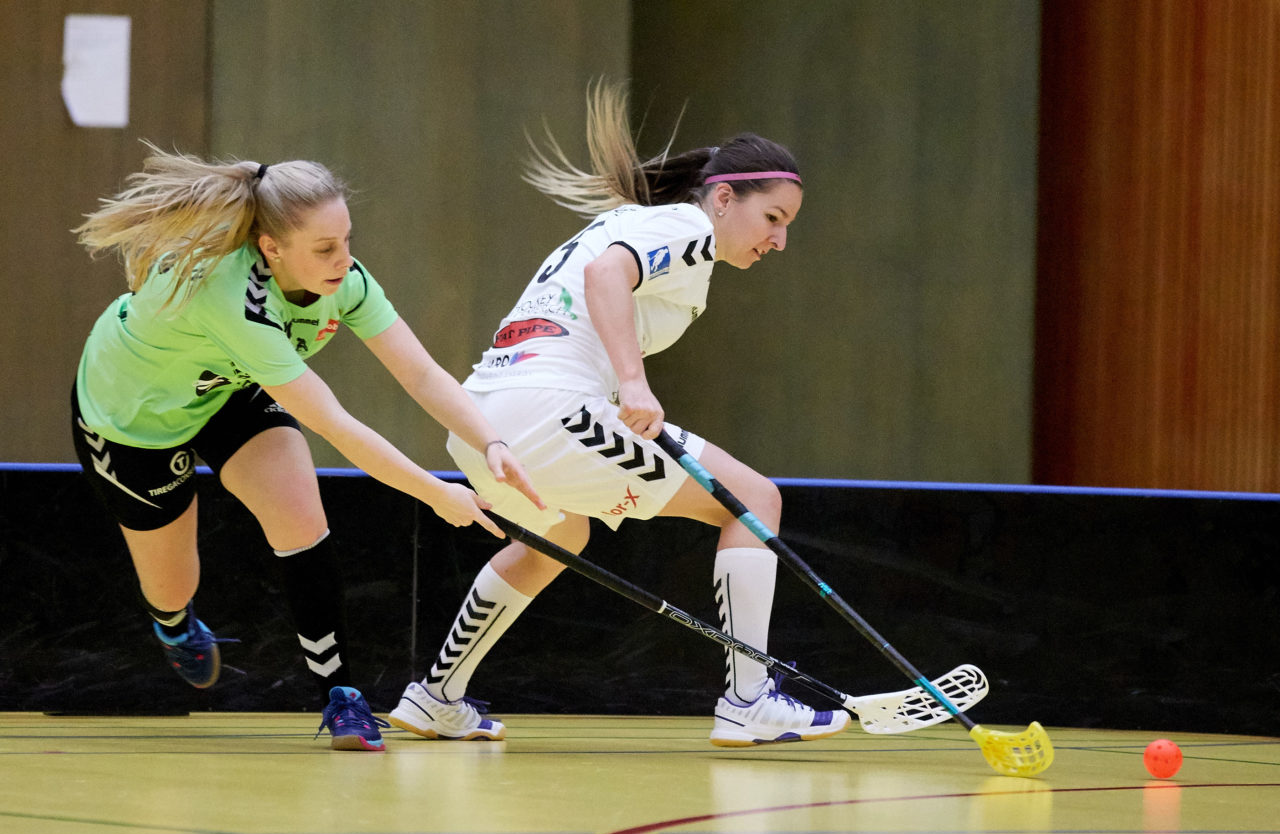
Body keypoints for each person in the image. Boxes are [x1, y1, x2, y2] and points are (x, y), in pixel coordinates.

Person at [389, 81, 851, 746]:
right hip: (550, 414)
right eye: (773, 218)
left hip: (482, 421)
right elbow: (609, 275)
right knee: (752, 498)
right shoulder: (688, 226)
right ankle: (749, 698)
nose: (778, 240)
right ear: (724, 197)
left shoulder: (642, 224)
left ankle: (436, 695)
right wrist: (633, 383)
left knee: (562, 535)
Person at [70, 144, 544, 751]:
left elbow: (421, 375)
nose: (343, 261)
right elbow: (335, 424)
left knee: (301, 515)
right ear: (271, 248)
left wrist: (492, 441)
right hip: (131, 418)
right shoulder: (228, 296)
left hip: (228, 390)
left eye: (346, 240)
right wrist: (434, 493)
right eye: (324, 249)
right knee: (171, 587)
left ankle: (340, 696)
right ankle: (171, 625)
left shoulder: (346, 281)